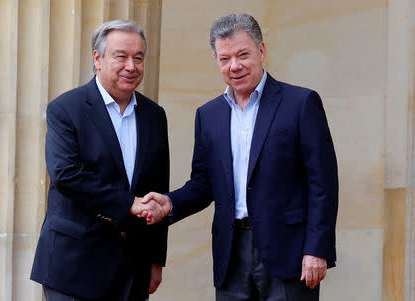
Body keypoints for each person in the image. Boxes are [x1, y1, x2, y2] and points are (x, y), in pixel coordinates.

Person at [142, 13, 338, 300]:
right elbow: (203, 184)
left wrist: (317, 250)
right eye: (224, 58)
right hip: (231, 253)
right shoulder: (208, 115)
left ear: (261, 51)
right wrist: (169, 203)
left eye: (242, 55)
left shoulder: (300, 103)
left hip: (290, 254)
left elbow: (323, 183)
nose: (234, 66)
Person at [30, 20, 169, 301]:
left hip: (132, 268)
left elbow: (157, 186)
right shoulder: (66, 109)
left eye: (138, 58)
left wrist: (156, 258)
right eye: (121, 56)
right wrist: (127, 203)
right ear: (98, 58)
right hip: (74, 264)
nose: (131, 66)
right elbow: (66, 174)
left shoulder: (154, 115)